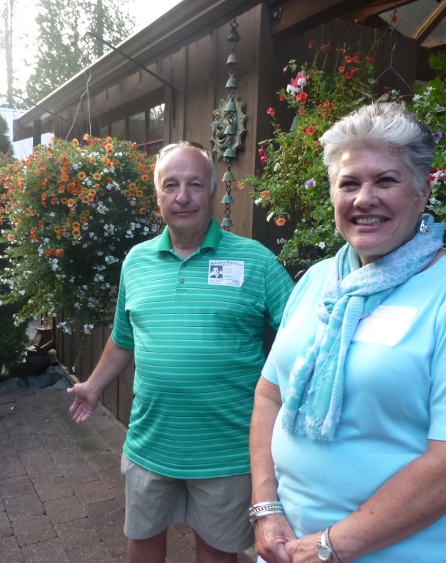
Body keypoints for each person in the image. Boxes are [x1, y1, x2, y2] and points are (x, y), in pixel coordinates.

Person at [249, 102, 446, 563]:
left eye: (386, 180)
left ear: (422, 191)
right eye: (349, 183)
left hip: (404, 551)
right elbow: (270, 395)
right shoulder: (318, 281)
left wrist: (332, 545)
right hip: (288, 543)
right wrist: (265, 508)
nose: (363, 199)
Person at [68, 141, 294, 563]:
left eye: (194, 184)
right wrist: (94, 386)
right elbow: (123, 338)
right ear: (158, 196)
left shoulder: (256, 261)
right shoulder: (136, 262)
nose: (182, 196)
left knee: (216, 552)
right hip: (151, 443)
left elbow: (300, 335)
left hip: (227, 450)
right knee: (142, 543)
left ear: (213, 191)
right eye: (170, 185)